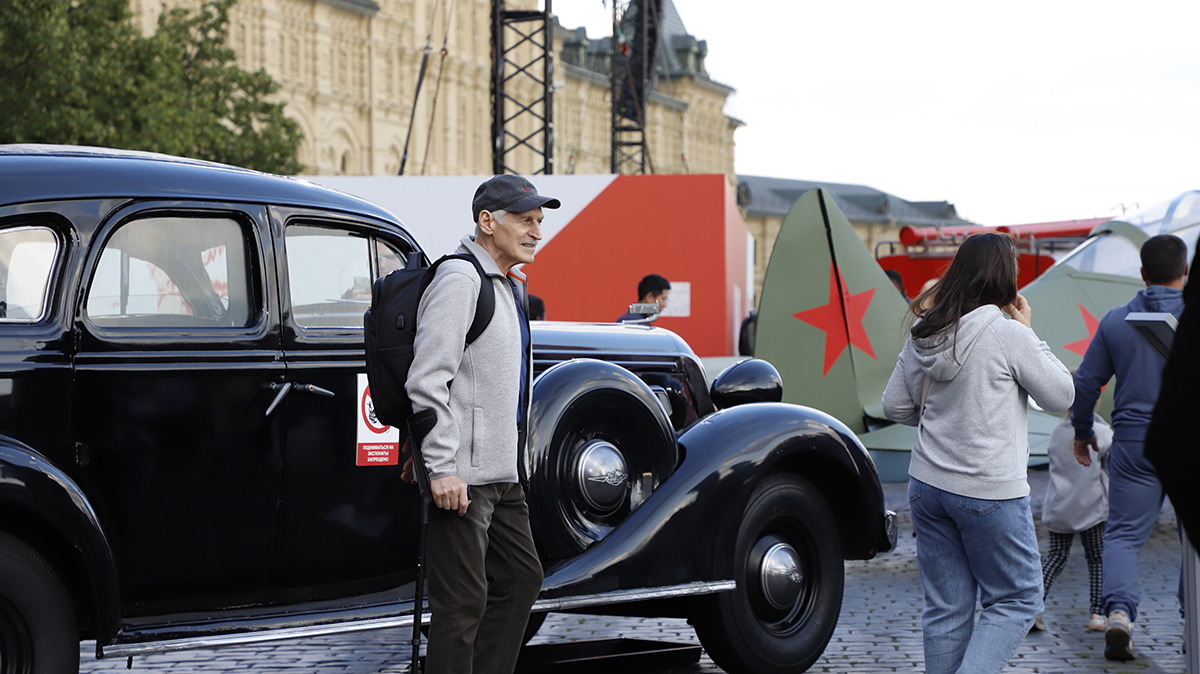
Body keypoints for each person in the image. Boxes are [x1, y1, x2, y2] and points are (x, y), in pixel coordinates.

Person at [882, 232, 1074, 674]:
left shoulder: (925, 331)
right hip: (988, 489)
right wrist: (1028, 332)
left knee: (946, 609)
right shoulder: (1008, 334)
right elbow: (1062, 394)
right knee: (1019, 599)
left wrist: (945, 421)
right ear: (1005, 279)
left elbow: (894, 406)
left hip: (927, 485)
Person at [404, 174, 559, 674]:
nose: (536, 231)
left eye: (540, 221)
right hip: (462, 479)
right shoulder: (461, 279)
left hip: (500, 473)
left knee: (521, 580)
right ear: (487, 222)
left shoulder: (505, 284)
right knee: (461, 606)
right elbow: (428, 379)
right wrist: (440, 467)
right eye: (525, 220)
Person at [1072, 233, 1188, 661]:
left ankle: (1119, 613)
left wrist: (1082, 430)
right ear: (1186, 271)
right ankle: (1192, 626)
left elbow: (1087, 382)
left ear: (1143, 274)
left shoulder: (1116, 321)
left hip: (1136, 441)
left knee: (1122, 534)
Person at [1035, 408, 1113, 633]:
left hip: (1060, 505)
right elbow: (1112, 466)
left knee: (1055, 557)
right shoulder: (1102, 432)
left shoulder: (1056, 431)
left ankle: (1032, 606)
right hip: (1092, 506)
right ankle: (1098, 613)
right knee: (1097, 559)